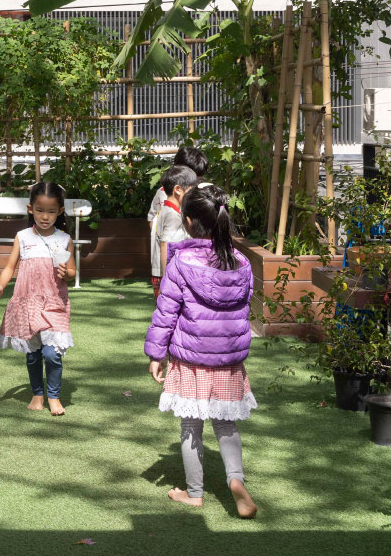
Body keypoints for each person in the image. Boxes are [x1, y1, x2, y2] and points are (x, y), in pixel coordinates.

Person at [144, 184, 258, 518]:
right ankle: (235, 480)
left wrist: (156, 354)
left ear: (189, 221)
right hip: (228, 360)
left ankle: (194, 494)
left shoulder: (181, 261)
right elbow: (244, 308)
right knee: (226, 425)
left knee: (190, 427)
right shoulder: (241, 262)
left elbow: (167, 311)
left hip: (191, 359)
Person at [0, 181, 75, 416]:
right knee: (33, 354)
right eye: (40, 210)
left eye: (51, 211)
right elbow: (10, 267)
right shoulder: (23, 237)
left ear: (59, 211)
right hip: (27, 302)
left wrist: (66, 273)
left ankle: (54, 396)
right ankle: (37, 394)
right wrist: (0, 287)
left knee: (51, 353)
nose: (45, 216)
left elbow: (72, 271)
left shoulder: (64, 239)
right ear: (30, 209)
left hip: (54, 303)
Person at [151, 166, 197, 298]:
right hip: (169, 275)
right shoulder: (172, 215)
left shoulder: (166, 210)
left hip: (166, 273)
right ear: (178, 189)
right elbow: (165, 244)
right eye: (191, 190)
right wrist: (166, 279)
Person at [147, 147, 208, 233]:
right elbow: (153, 219)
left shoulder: (201, 193)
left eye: (199, 179)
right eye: (195, 178)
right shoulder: (163, 193)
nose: (195, 183)